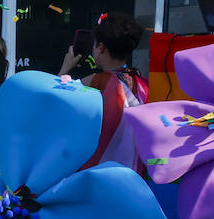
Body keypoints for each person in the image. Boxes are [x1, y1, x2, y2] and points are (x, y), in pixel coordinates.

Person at [59, 12, 148, 170]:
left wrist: (66, 67)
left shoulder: (97, 81)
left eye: (94, 45)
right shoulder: (141, 83)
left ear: (100, 48)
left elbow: (56, 99)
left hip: (101, 172)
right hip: (134, 174)